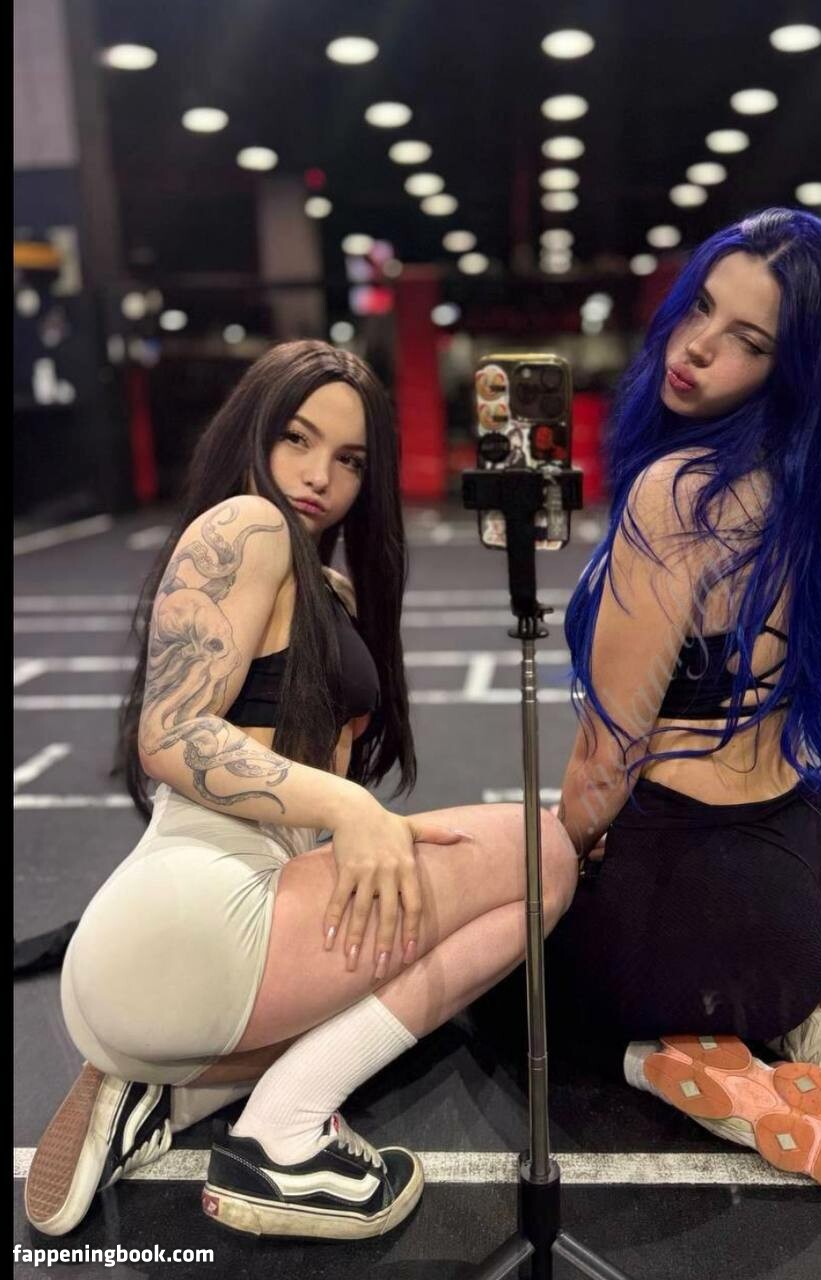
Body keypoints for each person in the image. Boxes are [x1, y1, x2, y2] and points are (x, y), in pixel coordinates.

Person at [25, 341, 578, 1240]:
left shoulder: (327, 584)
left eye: (350, 459)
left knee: (461, 904)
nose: (320, 475)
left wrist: (363, 823)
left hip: (187, 946)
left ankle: (172, 1088)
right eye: (296, 438)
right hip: (194, 911)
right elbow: (170, 731)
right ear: (252, 432)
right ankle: (281, 1133)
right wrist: (351, 807)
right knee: (541, 854)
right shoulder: (249, 525)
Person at [547, 208, 821, 1193]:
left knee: (514, 972)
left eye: (747, 341)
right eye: (699, 308)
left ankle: (681, 1055)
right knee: (759, 956)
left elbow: (605, 757)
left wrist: (563, 855)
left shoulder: (677, 492)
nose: (696, 347)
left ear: (788, 367)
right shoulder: (813, 485)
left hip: (715, 904)